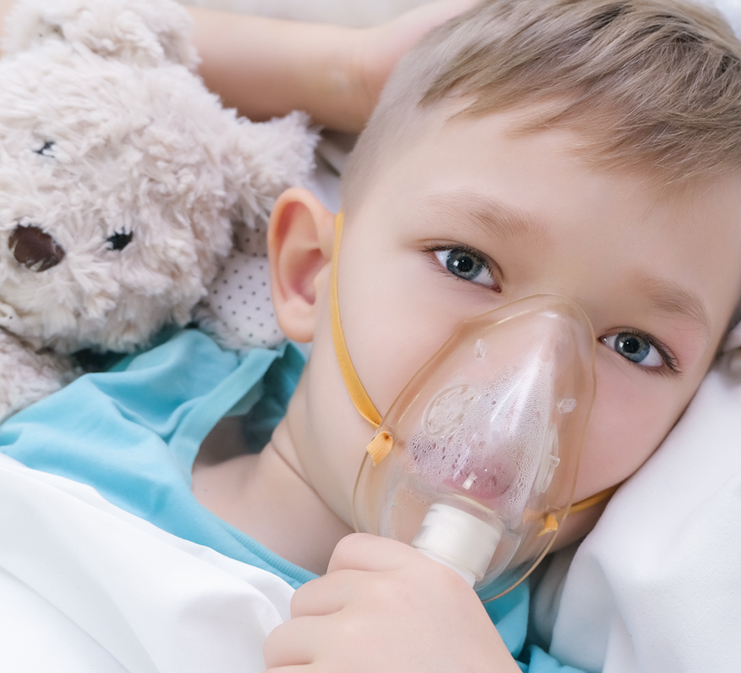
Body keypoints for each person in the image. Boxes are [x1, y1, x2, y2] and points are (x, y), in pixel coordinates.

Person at [3, 0, 741, 671]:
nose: (526, 385)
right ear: (308, 271)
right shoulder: (124, 395)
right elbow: (50, 40)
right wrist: (346, 73)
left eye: (633, 345)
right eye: (466, 263)